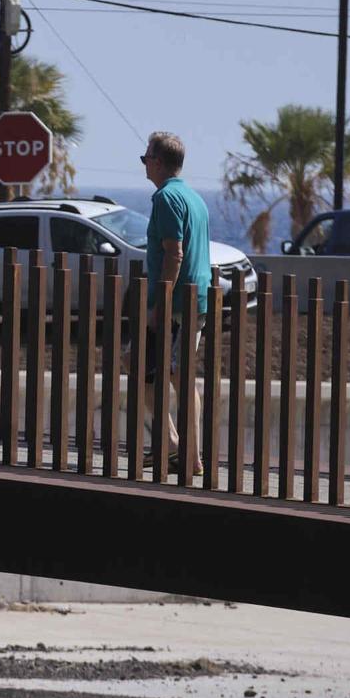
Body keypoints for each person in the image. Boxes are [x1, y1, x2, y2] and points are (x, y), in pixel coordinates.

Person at [139, 131, 212, 476]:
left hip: (175, 304)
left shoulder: (166, 198)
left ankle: (181, 451)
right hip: (195, 300)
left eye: (146, 158)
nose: (144, 165)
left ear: (158, 162)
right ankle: (179, 450)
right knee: (160, 372)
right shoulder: (195, 199)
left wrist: (160, 305)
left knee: (146, 369)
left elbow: (175, 252)